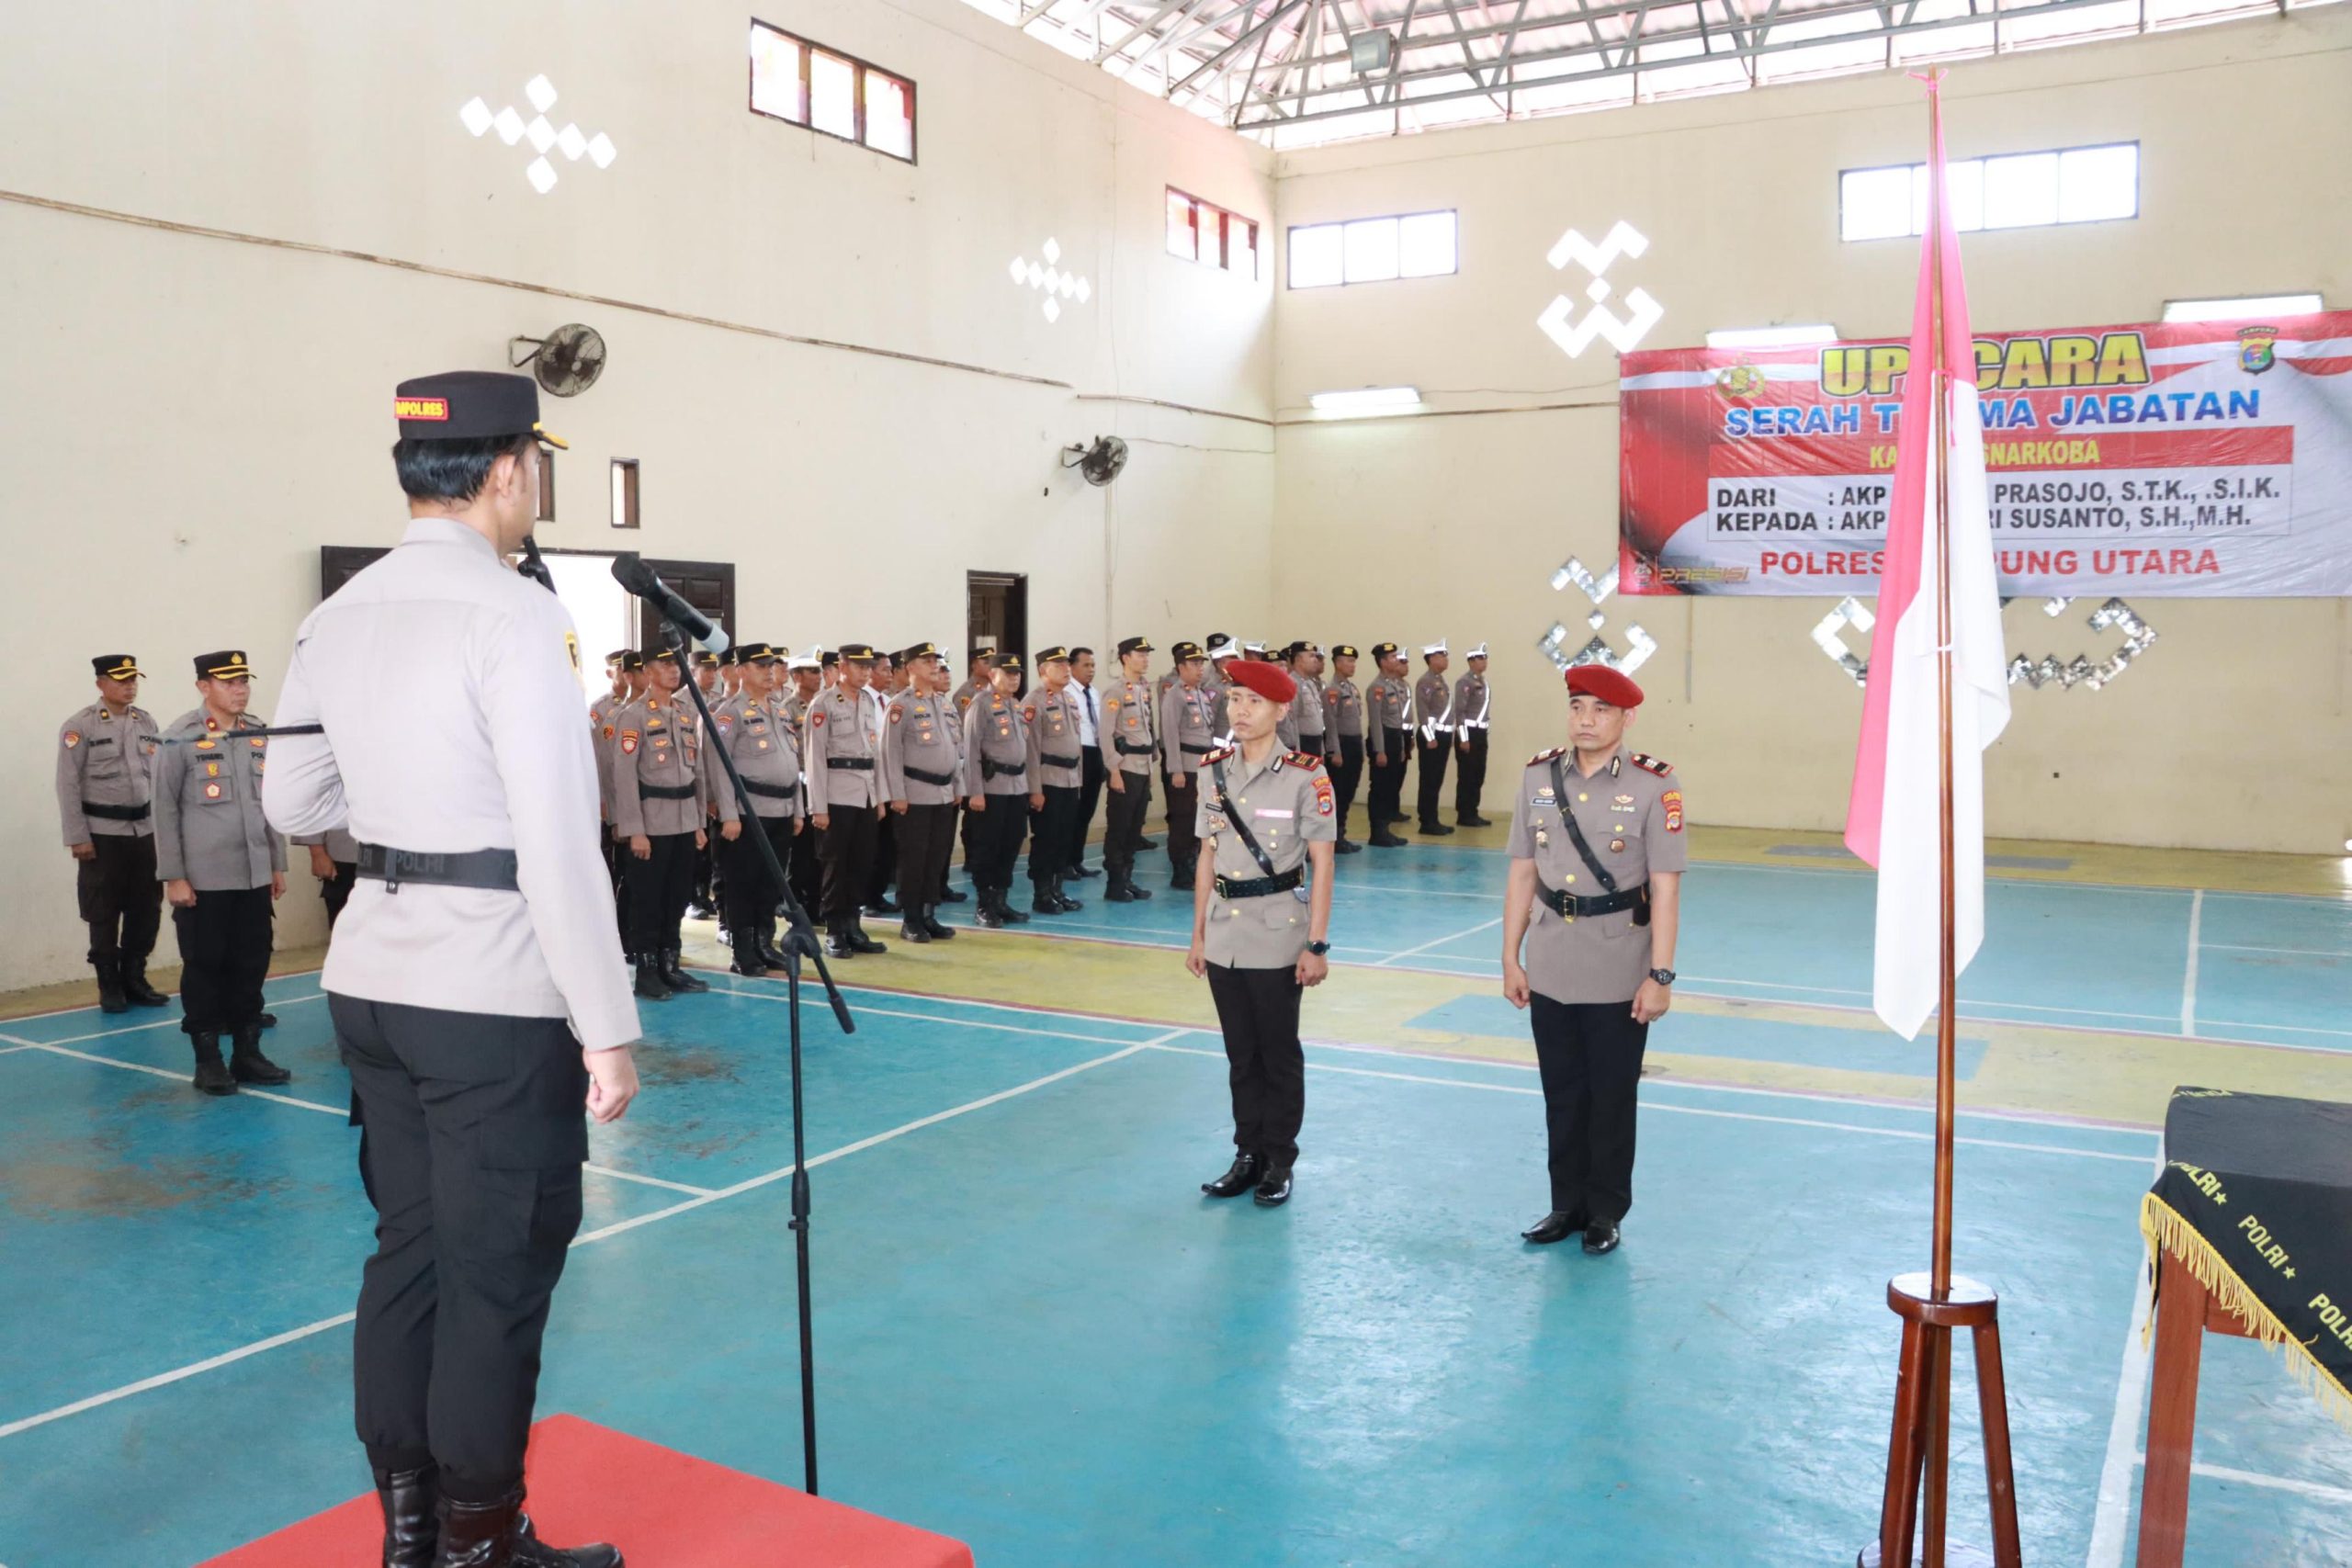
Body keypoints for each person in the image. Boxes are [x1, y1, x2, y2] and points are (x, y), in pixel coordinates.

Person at [265, 368, 635, 1567]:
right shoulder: (513, 611)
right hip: (490, 987)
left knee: (411, 1252)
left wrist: (398, 809)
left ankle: (410, 1530)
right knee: (497, 1270)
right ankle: (480, 1543)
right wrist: (605, 1021)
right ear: (510, 470)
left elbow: (292, 797)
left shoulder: (342, 609)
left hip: (373, 970)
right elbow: (555, 837)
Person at [1500, 664, 1683, 1258]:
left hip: (1618, 962)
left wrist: (1660, 975)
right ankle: (1566, 1204)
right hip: (1552, 955)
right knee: (1562, 1091)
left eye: (1600, 709)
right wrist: (1510, 955)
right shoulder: (1537, 776)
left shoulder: (1656, 784)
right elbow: (1523, 871)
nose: (1585, 718)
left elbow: (1665, 887)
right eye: (1578, 705)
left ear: (1626, 717)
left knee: (1610, 1094)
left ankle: (1605, 1209)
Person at [1186, 660, 1336, 1210]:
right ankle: (1246, 1153)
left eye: (1252, 701)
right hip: (1224, 930)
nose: (1240, 711)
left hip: (1278, 932)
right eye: (1234, 701)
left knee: (1277, 1051)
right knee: (1239, 1053)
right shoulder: (1214, 770)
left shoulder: (1306, 774)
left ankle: (1278, 1158)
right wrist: (1198, 934)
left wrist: (1316, 943)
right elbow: (1207, 855)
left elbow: (1322, 864)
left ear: (1279, 709)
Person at [153, 651, 290, 1094]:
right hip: (204, 880)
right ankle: (208, 1060)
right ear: (203, 687)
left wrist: (276, 863)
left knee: (252, 964)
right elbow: (165, 810)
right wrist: (174, 875)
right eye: (228, 682)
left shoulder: (257, 733)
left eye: (243, 681)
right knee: (205, 967)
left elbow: (269, 804)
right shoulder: (179, 738)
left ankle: (247, 1054)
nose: (240, 689)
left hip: (253, 875)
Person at [58, 653, 169, 1012]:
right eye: (121, 680)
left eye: (133, 679)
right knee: (103, 912)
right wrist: (78, 835)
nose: (129, 685)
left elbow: (158, 778)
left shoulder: (145, 721)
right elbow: (68, 784)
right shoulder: (81, 726)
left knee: (146, 908)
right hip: (102, 834)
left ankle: (135, 978)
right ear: (100, 684)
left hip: (144, 831)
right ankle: (109, 984)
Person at [608, 649, 718, 1000]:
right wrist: (634, 829)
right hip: (651, 824)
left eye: (677, 665)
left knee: (676, 898)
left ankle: (670, 966)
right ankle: (647, 972)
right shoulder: (633, 716)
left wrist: (699, 823)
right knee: (648, 901)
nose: (675, 671)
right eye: (666, 665)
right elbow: (623, 777)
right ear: (647, 671)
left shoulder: (686, 713)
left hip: (684, 821)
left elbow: (697, 771)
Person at [708, 643, 801, 976]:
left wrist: (798, 810)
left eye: (772, 667)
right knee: (742, 884)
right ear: (741, 671)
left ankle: (765, 944)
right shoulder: (730, 713)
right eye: (761, 667)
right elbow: (719, 767)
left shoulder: (779, 710)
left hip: (781, 809)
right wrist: (729, 815)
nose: (769, 673)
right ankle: (743, 951)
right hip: (748, 813)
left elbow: (792, 763)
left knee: (770, 883)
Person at [805, 642, 887, 957]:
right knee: (835, 865)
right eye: (859, 666)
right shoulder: (824, 703)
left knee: (861, 862)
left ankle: (854, 926)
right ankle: (835, 931)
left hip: (865, 793)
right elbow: (814, 760)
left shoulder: (867, 701)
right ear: (842, 667)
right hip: (836, 795)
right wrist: (818, 807)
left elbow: (874, 753)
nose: (866, 672)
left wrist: (879, 798)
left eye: (869, 667)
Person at [879, 641, 960, 944]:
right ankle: (911, 919)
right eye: (927, 661)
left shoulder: (944, 703)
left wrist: (958, 787)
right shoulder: (901, 705)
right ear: (911, 667)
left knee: (936, 857)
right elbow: (890, 752)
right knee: (914, 858)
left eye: (935, 661)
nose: (934, 665)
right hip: (914, 793)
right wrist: (896, 794)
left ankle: (929, 914)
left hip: (943, 792)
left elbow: (955, 748)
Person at [959, 653, 1032, 928]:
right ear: (993, 675)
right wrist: (975, 791)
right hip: (991, 788)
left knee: (1011, 844)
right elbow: (971, 749)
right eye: (1008, 672)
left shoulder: (1014, 705)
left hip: (1016, 787)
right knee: (987, 847)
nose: (1014, 678)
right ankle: (984, 904)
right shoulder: (981, 704)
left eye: (1017, 673)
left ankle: (1001, 900)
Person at [1023, 647, 1087, 915]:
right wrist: (1035, 790)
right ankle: (1042, 894)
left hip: (1070, 779)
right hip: (1048, 781)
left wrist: (1079, 780)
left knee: (1064, 839)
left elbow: (1076, 744)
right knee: (1047, 839)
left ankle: (1057, 890)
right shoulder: (1033, 701)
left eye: (1066, 664)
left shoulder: (1069, 699)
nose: (1065, 668)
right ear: (1042, 670)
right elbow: (1031, 750)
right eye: (1057, 665)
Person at [1099, 637, 1158, 903]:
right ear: (1125, 658)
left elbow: (1148, 728)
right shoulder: (1116, 691)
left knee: (1135, 829)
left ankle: (1127, 878)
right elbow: (1105, 734)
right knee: (1120, 828)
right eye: (1140, 654)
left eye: (1147, 654)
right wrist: (1113, 771)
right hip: (1125, 768)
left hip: (1143, 767)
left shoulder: (1143, 689)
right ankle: (1114, 883)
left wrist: (1152, 763)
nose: (1145, 658)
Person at [1159, 641, 1214, 888]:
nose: (1200, 668)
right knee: (1183, 819)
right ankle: (1180, 869)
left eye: (1202, 663)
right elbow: (1170, 734)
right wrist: (1176, 770)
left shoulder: (1201, 694)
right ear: (1181, 667)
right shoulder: (1175, 695)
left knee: (1198, 818)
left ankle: (1193, 862)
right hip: (1186, 767)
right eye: (1194, 664)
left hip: (1203, 765)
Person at [1366, 642, 1412, 847]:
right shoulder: (1377, 687)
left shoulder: (1395, 685)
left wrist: (1402, 747)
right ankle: (1377, 832)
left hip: (1395, 739)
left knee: (1391, 787)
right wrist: (1380, 750)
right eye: (1392, 657)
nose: (1396, 660)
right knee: (1380, 788)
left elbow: (1401, 721)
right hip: (1383, 739)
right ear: (1383, 662)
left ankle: (1385, 829)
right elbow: (1376, 721)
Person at [1322, 645, 1366, 854]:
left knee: (1349, 791)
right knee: (1339, 792)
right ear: (1338, 663)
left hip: (1354, 743)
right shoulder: (1333, 690)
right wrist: (1335, 751)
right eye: (1348, 661)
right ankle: (1335, 836)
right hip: (1342, 745)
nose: (1352, 665)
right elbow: (1330, 722)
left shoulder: (1351, 688)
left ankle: (1342, 833)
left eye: (1354, 661)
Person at [1067, 647, 1104, 879]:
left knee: (1087, 811)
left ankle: (1077, 859)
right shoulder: (1067, 693)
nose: (1091, 670)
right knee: (1072, 812)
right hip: (1077, 753)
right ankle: (1065, 862)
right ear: (1072, 667)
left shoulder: (1094, 693)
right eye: (1086, 665)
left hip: (1095, 754)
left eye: (1093, 665)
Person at [1413, 639, 1456, 836]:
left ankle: (1433, 818)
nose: (1446, 659)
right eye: (1442, 656)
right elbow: (1423, 713)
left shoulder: (1440, 681)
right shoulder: (1426, 681)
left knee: (1436, 779)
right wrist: (1430, 737)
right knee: (1429, 779)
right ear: (1431, 659)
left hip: (1443, 735)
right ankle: (1427, 821)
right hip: (1432, 737)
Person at [1454, 642, 1494, 827]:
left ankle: (1473, 811)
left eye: (1485, 658)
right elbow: (1460, 711)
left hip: (1480, 733)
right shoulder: (1465, 682)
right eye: (1479, 659)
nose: (1483, 662)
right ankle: (1464, 814)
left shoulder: (1483, 682)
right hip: (1468, 734)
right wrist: (1463, 737)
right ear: (1471, 661)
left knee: (1478, 774)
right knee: (1467, 775)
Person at [295, 825, 362, 928]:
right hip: (344, 854)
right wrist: (317, 852)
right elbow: (312, 810)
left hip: (389, 853)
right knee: (344, 928)